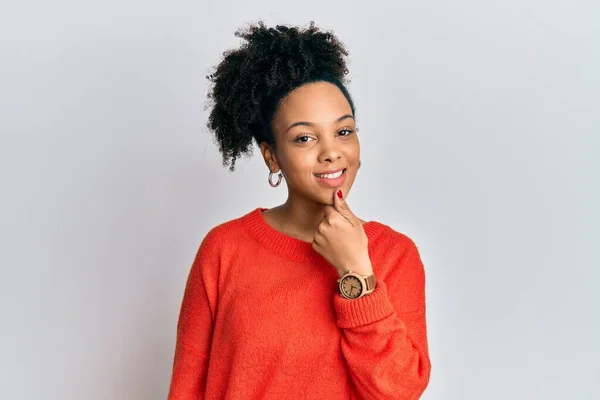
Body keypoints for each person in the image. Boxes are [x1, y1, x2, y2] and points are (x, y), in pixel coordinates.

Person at [167, 21, 431, 400]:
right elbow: (186, 388)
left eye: (344, 131)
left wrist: (355, 273)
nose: (331, 152)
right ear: (271, 155)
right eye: (305, 138)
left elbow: (400, 390)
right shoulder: (223, 249)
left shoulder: (395, 255)